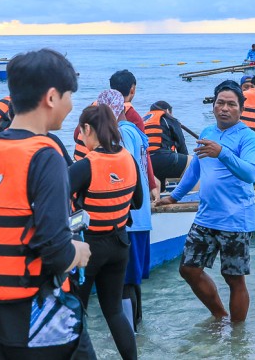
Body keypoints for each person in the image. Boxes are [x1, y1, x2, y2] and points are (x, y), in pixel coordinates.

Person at [0, 48, 94, 359]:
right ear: (51, 97)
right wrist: (80, 252)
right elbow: (56, 253)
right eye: (69, 95)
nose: (72, 105)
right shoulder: (45, 156)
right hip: (38, 322)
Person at [156, 80, 255, 322]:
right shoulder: (207, 133)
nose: (224, 108)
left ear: (241, 109)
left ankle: (237, 335)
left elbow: (250, 174)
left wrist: (222, 152)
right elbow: (195, 167)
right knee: (188, 269)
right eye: (220, 103)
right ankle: (219, 316)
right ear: (213, 105)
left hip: (236, 219)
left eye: (231, 104)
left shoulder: (249, 138)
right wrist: (173, 196)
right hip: (206, 216)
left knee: (234, 278)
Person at [68, 104, 143, 360]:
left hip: (89, 248)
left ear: (88, 128)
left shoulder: (86, 165)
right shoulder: (128, 159)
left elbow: (54, 197)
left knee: (76, 311)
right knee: (113, 312)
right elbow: (139, 201)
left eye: (81, 132)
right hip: (120, 243)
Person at [96, 89, 153, 332]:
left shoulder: (123, 134)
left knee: (124, 280)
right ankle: (136, 328)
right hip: (141, 216)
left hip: (129, 217)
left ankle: (128, 331)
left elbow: (124, 171)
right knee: (131, 278)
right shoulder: (136, 131)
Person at [144, 101, 190, 191]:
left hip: (145, 162)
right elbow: (181, 147)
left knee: (163, 165)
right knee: (194, 164)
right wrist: (186, 161)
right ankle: (192, 196)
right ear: (168, 111)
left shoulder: (143, 120)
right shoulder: (170, 119)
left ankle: (160, 191)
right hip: (162, 158)